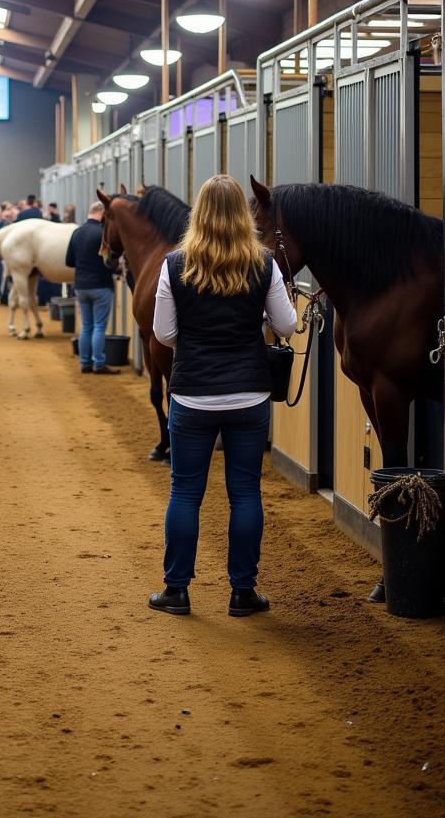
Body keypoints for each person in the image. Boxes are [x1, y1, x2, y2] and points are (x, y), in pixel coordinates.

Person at [148, 174, 297, 619]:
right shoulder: (264, 263)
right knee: (246, 492)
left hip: (192, 394)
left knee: (186, 491)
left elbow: (164, 334)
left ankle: (176, 590)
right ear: (242, 214)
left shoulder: (174, 264)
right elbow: (287, 326)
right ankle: (242, 592)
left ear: (199, 213)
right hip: (249, 394)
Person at [65, 201, 119, 375]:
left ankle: (85, 362)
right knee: (99, 326)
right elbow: (110, 261)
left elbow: (69, 261)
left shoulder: (76, 233)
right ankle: (98, 363)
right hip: (101, 285)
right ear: (102, 213)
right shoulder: (102, 233)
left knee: (86, 326)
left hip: (80, 286)